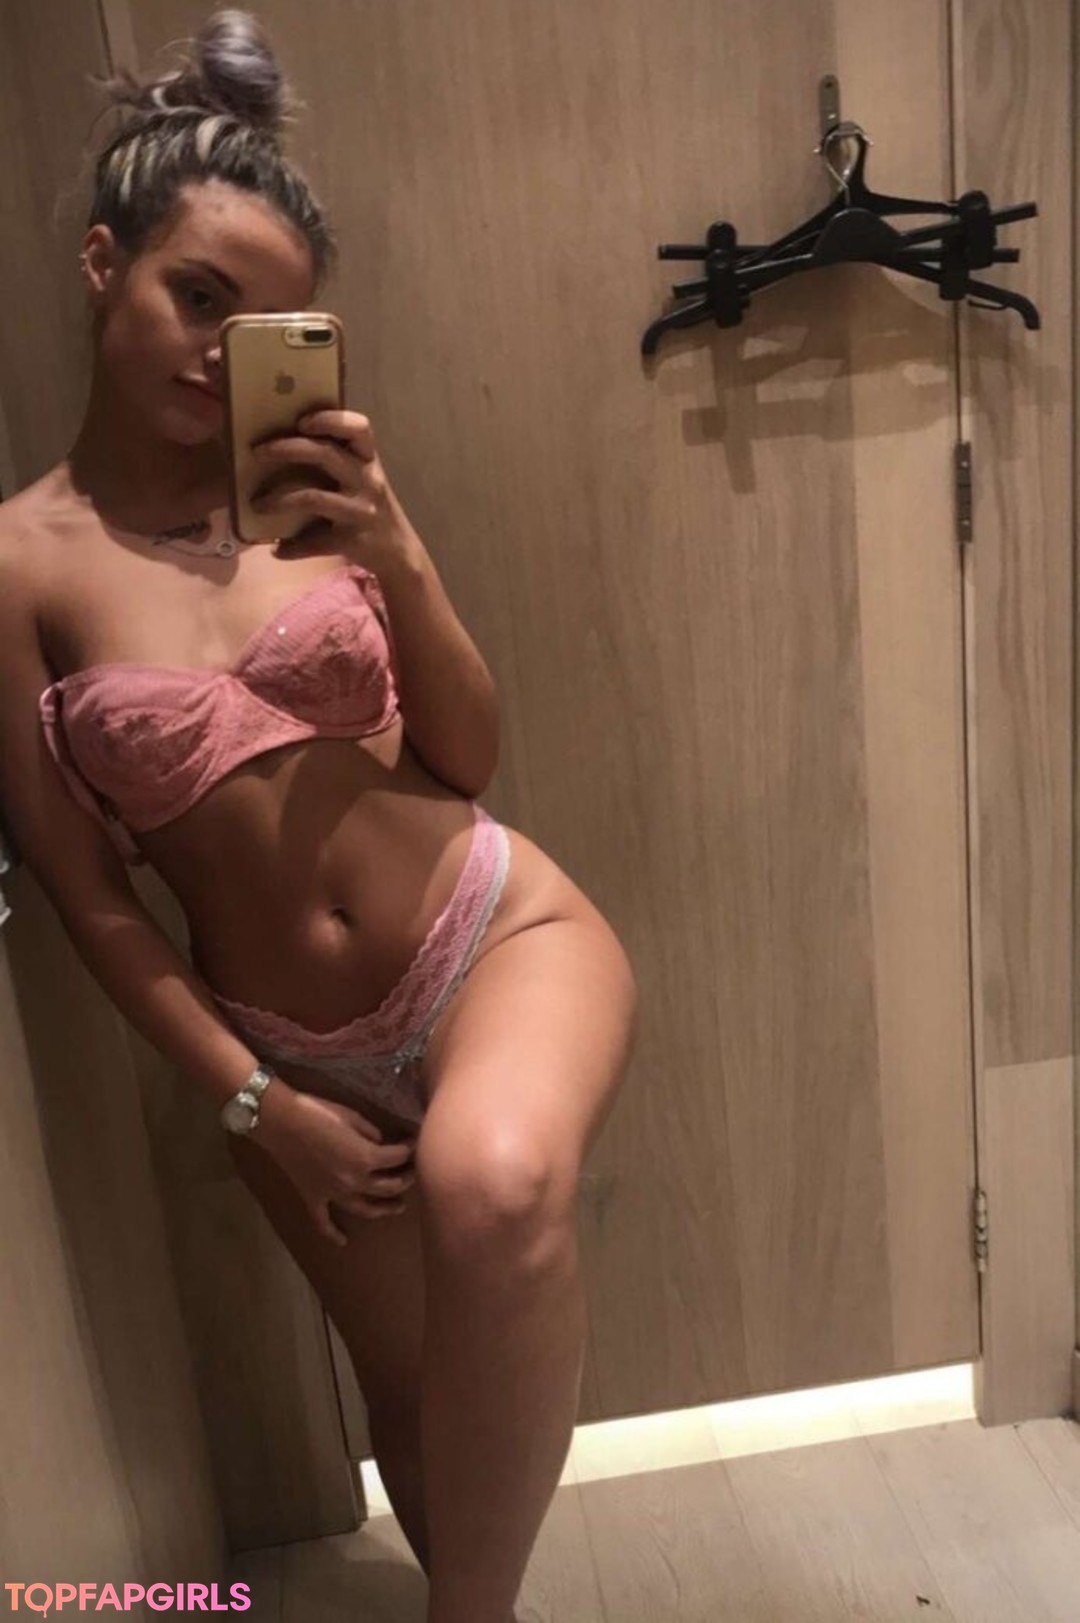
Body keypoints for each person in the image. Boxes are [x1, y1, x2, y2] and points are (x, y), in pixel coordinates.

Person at [0, 9, 638, 1621]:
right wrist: (254, 1102)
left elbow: (467, 754)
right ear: (102, 265)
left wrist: (397, 551)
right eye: (196, 295)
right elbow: (89, 896)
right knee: (416, 1393)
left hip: (492, 934)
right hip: (286, 1055)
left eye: (265, 323)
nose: (221, 351)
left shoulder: (320, 496)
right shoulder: (18, 569)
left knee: (497, 1185)